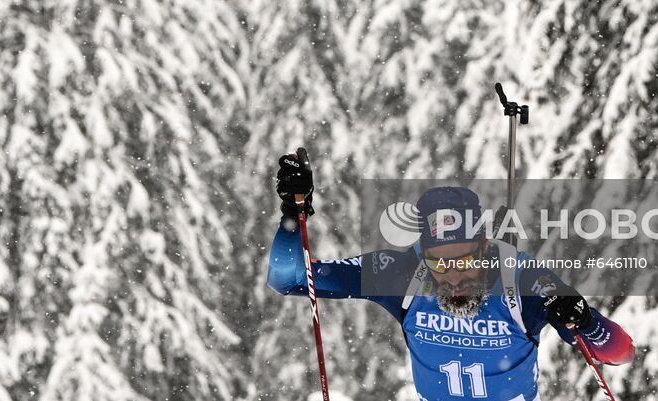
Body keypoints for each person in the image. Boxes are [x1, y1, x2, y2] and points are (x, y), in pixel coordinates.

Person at [267, 152, 635, 401]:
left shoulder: (524, 282)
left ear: (484, 246)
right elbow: (290, 279)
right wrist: (290, 216)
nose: (454, 275)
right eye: (439, 263)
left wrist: (585, 320)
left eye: (464, 259)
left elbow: (619, 353)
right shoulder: (401, 273)